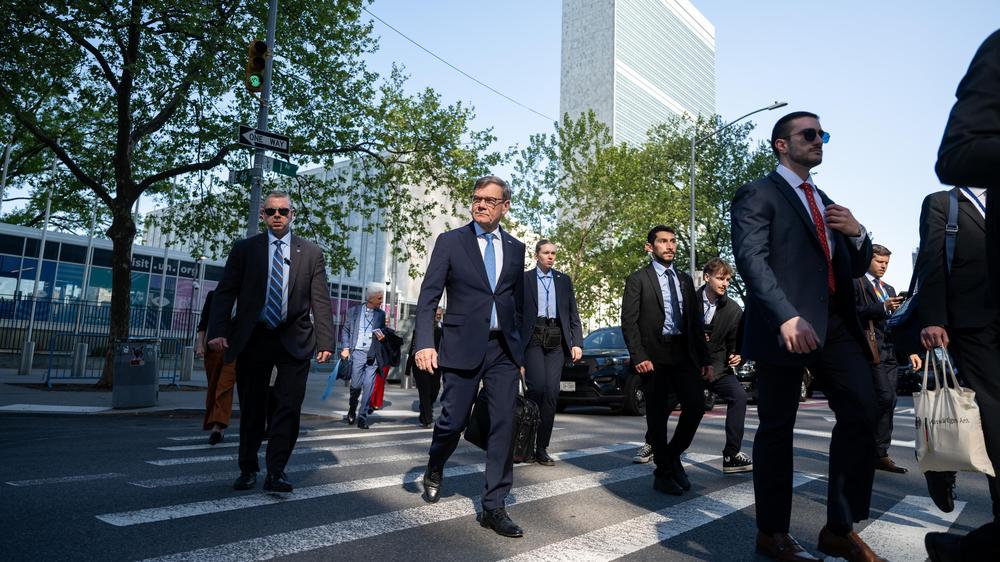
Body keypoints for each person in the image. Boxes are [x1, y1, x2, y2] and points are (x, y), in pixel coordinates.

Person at [731, 111, 881, 561]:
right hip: (786, 325)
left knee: (864, 409)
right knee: (778, 428)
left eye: (823, 134)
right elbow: (751, 260)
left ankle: (839, 528)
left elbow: (855, 268)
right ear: (781, 144)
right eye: (809, 134)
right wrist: (785, 316)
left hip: (836, 323)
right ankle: (772, 532)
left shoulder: (827, 201)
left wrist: (858, 233)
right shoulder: (758, 193)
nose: (819, 140)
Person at [414, 175, 526, 538]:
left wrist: (520, 352)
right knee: (453, 421)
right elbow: (429, 296)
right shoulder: (451, 242)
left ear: (505, 206)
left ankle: (494, 506)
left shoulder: (516, 248)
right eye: (477, 198)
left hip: (502, 350)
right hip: (460, 345)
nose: (480, 204)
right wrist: (424, 343)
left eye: (490, 200)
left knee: (503, 424)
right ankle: (436, 463)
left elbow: (517, 304)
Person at [207, 191, 334, 493]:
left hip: (295, 338)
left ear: (292, 215)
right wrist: (217, 330)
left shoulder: (311, 253)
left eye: (283, 211)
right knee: (252, 407)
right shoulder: (244, 249)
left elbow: (320, 300)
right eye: (271, 211)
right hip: (254, 338)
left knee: (288, 408)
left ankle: (277, 472)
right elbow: (225, 292)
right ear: (263, 215)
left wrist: (326, 341)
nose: (278, 216)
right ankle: (248, 468)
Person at [916, 187, 999, 561]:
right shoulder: (943, 203)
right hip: (971, 324)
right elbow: (931, 262)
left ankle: (943, 464)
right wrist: (933, 318)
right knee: (995, 417)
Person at [620, 225, 712, 496]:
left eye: (672, 241)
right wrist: (639, 355)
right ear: (650, 247)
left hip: (683, 353)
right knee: (657, 416)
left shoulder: (684, 280)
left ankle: (671, 456)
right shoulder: (638, 279)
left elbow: (695, 323)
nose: (670, 246)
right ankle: (663, 473)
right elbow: (629, 322)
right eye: (663, 241)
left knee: (696, 405)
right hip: (653, 356)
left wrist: (705, 358)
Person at [521, 239, 583, 466]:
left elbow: (573, 314)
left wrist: (577, 342)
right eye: (546, 252)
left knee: (551, 392)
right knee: (536, 388)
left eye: (553, 253)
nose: (550, 256)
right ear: (536, 255)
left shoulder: (563, 280)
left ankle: (541, 448)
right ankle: (525, 443)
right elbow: (516, 314)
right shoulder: (524, 279)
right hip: (533, 337)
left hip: (556, 337)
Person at [853, 244, 908, 474]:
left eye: (887, 263)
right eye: (879, 262)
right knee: (883, 398)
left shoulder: (888, 288)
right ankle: (867, 448)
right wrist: (881, 307)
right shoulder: (856, 282)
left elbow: (896, 323)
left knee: (890, 400)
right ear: (868, 260)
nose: (884, 266)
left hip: (890, 350)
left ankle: (880, 453)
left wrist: (910, 351)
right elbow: (853, 312)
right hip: (870, 349)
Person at [698, 258, 752, 474]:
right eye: (720, 278)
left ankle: (731, 455)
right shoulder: (688, 301)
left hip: (718, 368)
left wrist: (739, 356)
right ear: (707, 277)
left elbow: (737, 344)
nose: (725, 283)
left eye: (728, 279)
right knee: (669, 403)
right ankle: (653, 444)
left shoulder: (733, 310)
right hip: (689, 367)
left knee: (739, 396)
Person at [339, 283, 387, 429]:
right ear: (371, 298)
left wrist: (382, 336)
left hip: (373, 354)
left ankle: (362, 416)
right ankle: (352, 408)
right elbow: (346, 330)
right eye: (379, 298)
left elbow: (382, 331)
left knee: (368, 386)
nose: (381, 301)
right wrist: (345, 348)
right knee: (355, 386)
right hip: (357, 353)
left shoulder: (381, 314)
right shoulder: (354, 311)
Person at [196, 290, 237, 445]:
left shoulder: (245, 296)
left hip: (234, 349)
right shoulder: (214, 295)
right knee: (213, 387)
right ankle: (216, 424)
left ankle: (218, 427)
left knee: (224, 386)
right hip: (213, 349)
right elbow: (204, 321)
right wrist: (199, 344)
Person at [405, 307, 444, 428]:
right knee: (424, 391)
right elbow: (413, 348)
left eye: (440, 314)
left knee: (435, 390)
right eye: (436, 314)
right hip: (420, 365)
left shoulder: (443, 330)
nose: (438, 316)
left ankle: (425, 407)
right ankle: (426, 419)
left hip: (436, 365)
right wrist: (408, 368)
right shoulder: (420, 329)